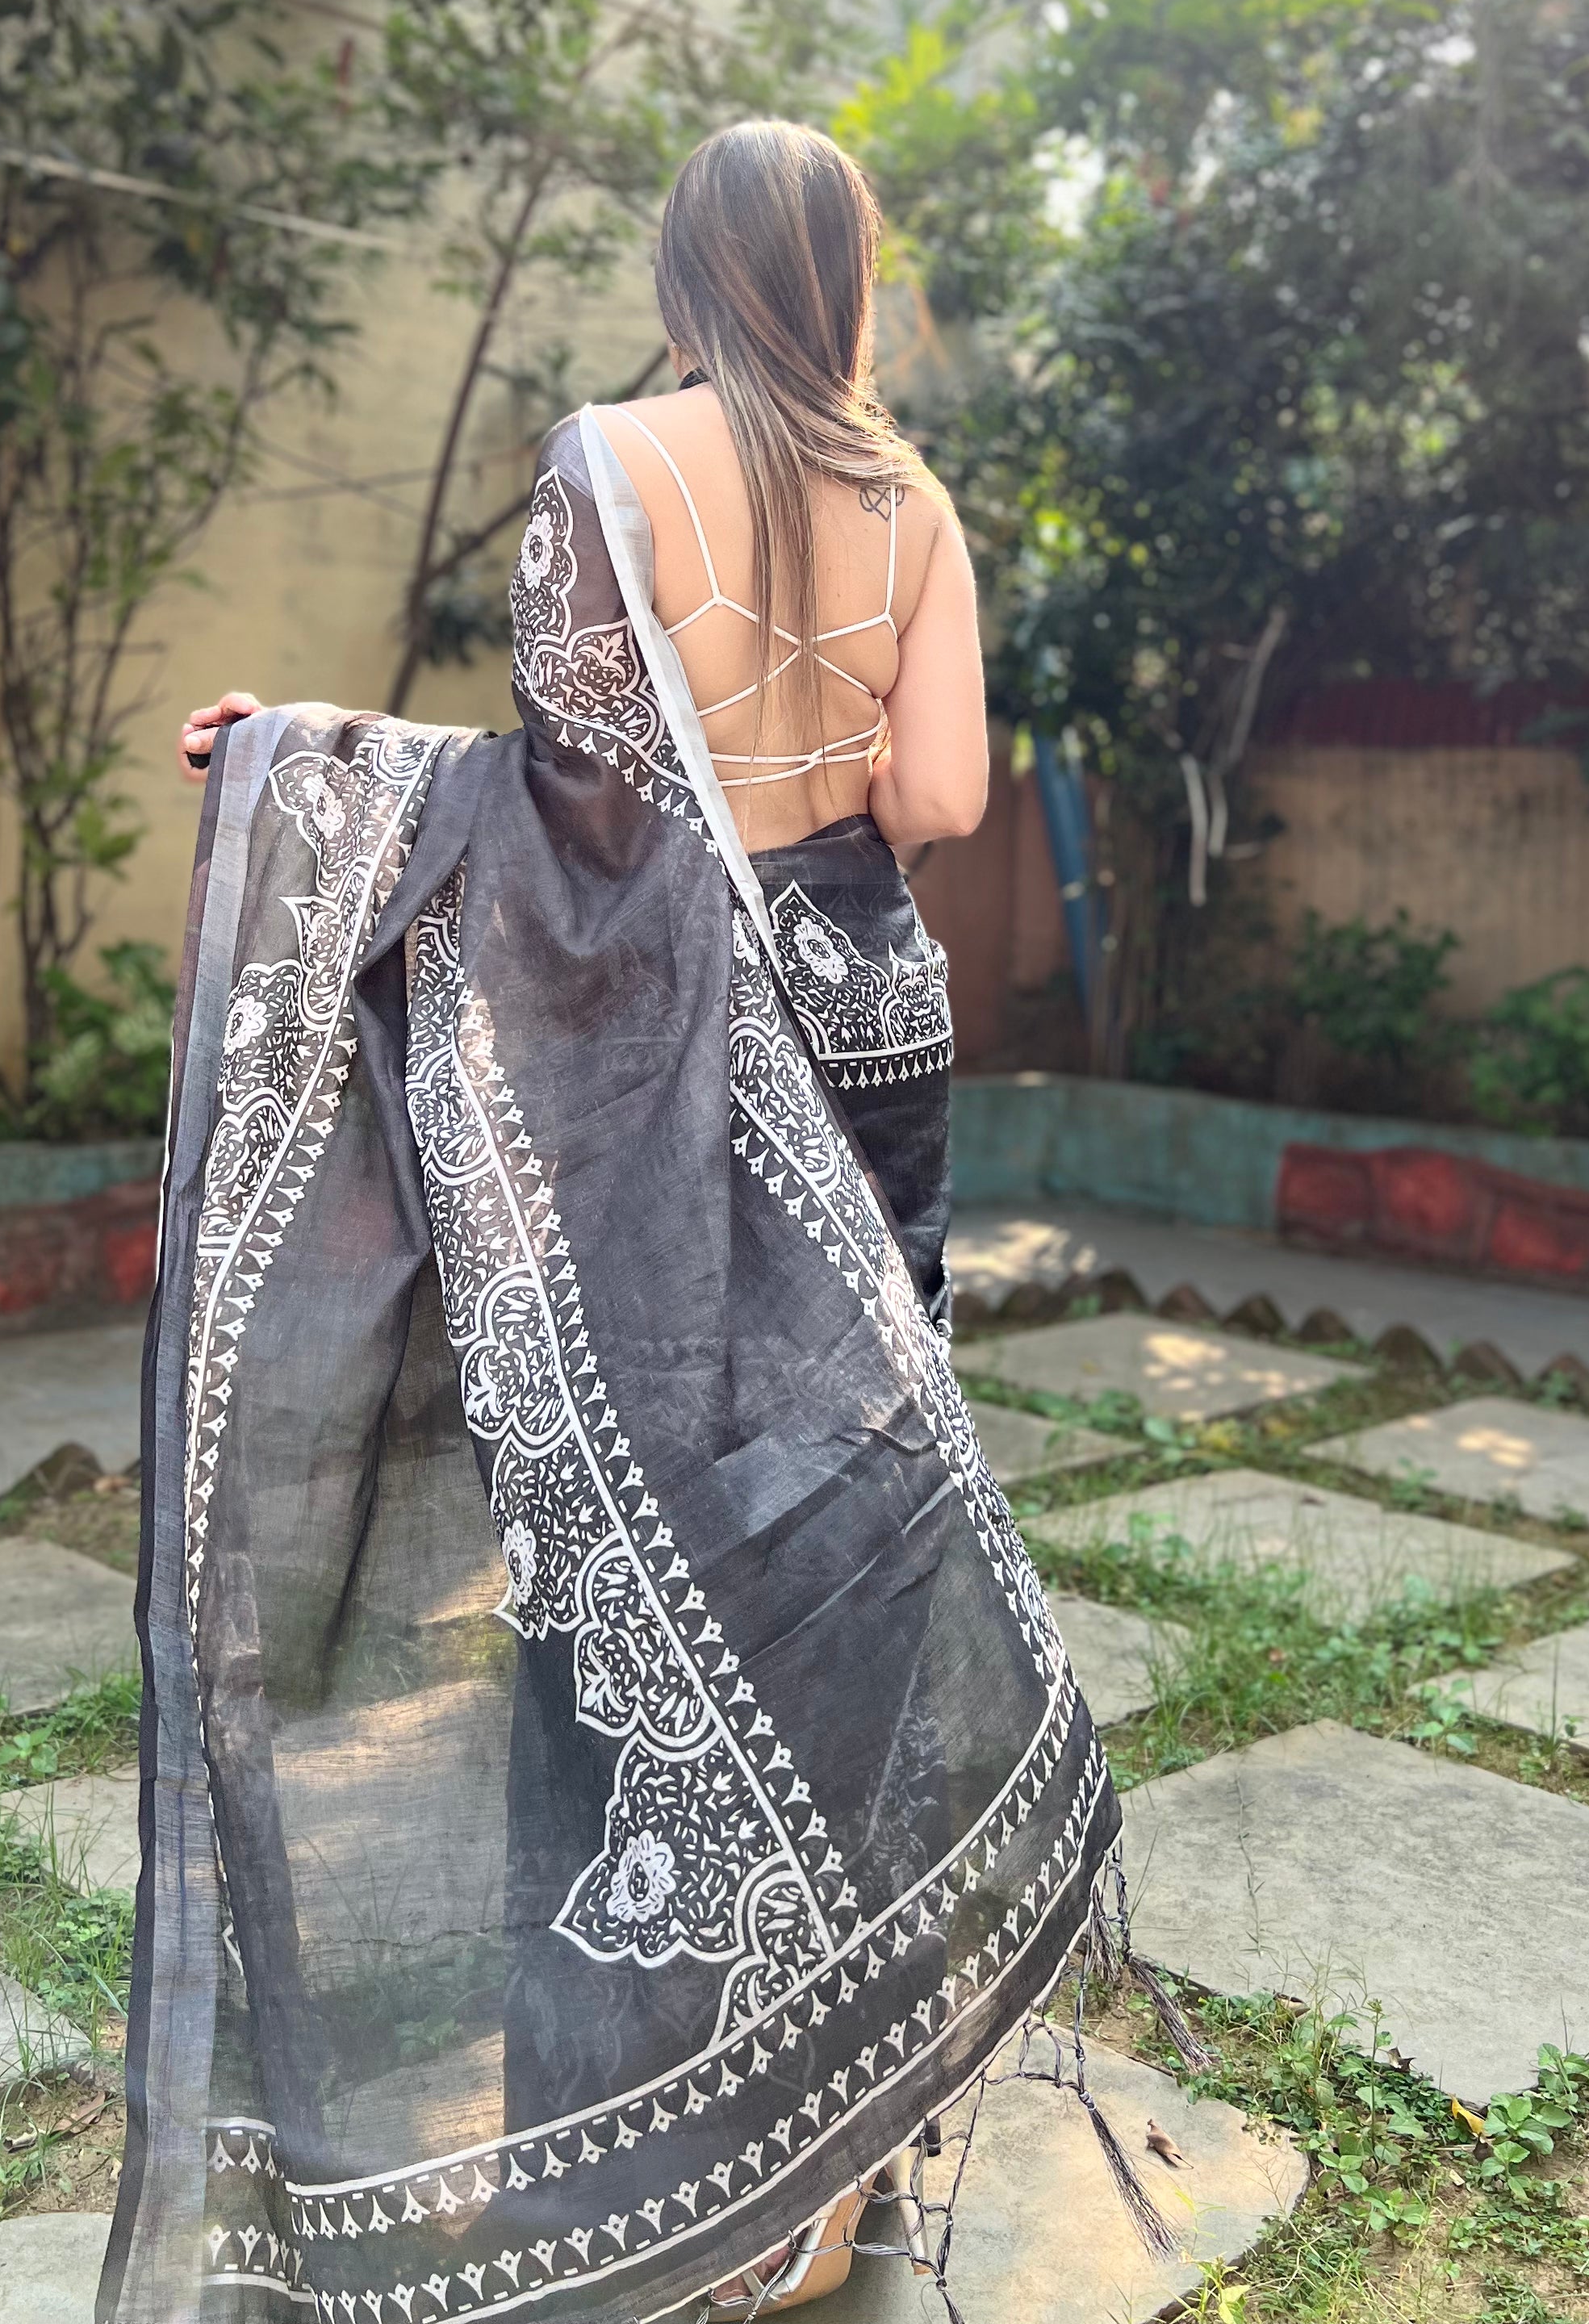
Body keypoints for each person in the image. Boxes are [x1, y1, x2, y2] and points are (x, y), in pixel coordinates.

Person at [105, 123, 1122, 2324]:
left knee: (628, 1574)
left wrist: (304, 759)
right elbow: (940, 801)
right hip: (866, 1042)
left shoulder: (612, 461)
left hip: (656, 1061)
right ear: (849, 279)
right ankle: (823, 2175)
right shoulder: (915, 501)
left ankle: (643, 2155)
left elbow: (572, 796)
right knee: (839, 1549)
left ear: (684, 262)